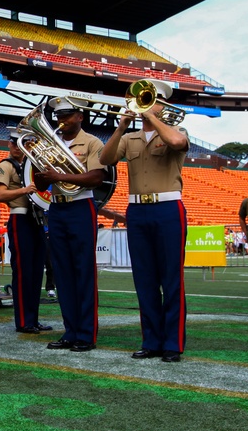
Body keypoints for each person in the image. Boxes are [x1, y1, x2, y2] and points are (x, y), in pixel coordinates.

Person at [101, 98, 190, 363]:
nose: (145, 106)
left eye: (152, 102)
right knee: (144, 280)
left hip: (168, 208)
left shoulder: (178, 132)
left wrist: (152, 118)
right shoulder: (130, 138)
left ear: (162, 107)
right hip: (138, 211)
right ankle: (151, 341)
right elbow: (105, 159)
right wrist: (120, 127)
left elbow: (176, 143)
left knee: (171, 280)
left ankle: (173, 343)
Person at [36, 96, 106, 353]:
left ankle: (86, 334)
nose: (61, 120)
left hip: (80, 207)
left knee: (83, 272)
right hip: (57, 207)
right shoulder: (50, 143)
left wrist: (59, 175)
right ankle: (70, 331)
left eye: (67, 115)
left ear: (80, 116)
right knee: (62, 272)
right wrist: (40, 169)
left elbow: (97, 177)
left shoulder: (92, 142)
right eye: (58, 116)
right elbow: (42, 184)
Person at [0, 130, 49, 334]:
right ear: (10, 145)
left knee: (36, 272)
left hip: (36, 219)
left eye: (23, 143)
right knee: (23, 271)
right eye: (16, 144)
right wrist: (24, 190)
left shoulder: (31, 165)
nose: (18, 147)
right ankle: (24, 321)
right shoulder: (5, 166)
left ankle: (33, 319)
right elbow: (0, 194)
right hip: (20, 217)